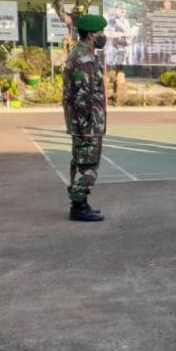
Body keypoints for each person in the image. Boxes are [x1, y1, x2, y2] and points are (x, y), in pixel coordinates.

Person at [63, 14, 108, 222]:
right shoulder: (84, 59)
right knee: (87, 163)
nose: (103, 36)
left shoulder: (81, 54)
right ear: (91, 35)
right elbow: (83, 96)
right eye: (100, 32)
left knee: (81, 161)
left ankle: (80, 202)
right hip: (86, 122)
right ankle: (79, 206)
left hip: (82, 122)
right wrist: (86, 128)